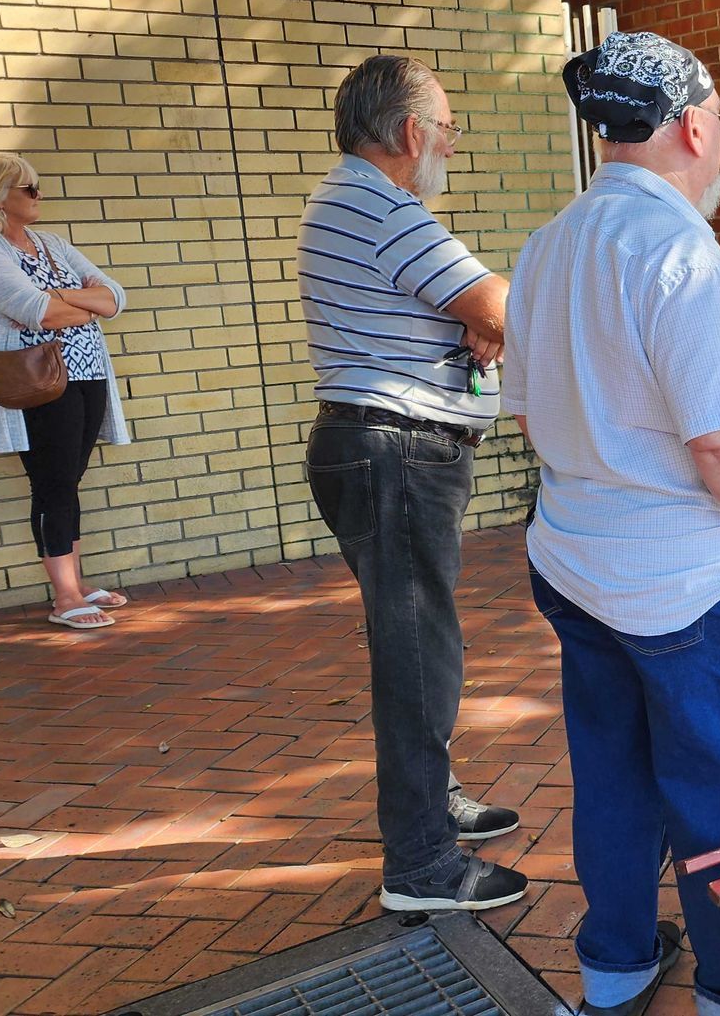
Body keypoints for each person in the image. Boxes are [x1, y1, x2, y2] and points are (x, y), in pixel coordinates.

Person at [503, 32, 720, 1016]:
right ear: (691, 125)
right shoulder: (679, 251)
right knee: (718, 794)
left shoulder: (547, 247)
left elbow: (526, 411)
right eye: (719, 119)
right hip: (691, 577)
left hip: (578, 558)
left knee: (614, 776)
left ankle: (618, 964)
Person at [297, 54, 525, 912]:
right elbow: (497, 302)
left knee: (418, 645)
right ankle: (423, 864)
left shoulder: (357, 199)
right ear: (407, 132)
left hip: (384, 448)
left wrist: (479, 321)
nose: (452, 148)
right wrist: (487, 317)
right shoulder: (380, 204)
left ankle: (434, 801)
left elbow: (476, 313)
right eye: (449, 129)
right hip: (396, 451)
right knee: (419, 652)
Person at [0, 153, 132, 630]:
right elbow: (40, 314)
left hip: (86, 374)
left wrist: (62, 300)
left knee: (67, 480)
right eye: (29, 189)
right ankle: (65, 597)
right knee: (52, 482)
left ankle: (77, 582)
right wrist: (71, 303)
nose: (38, 195)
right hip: (36, 383)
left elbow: (114, 297)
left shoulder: (51, 244)